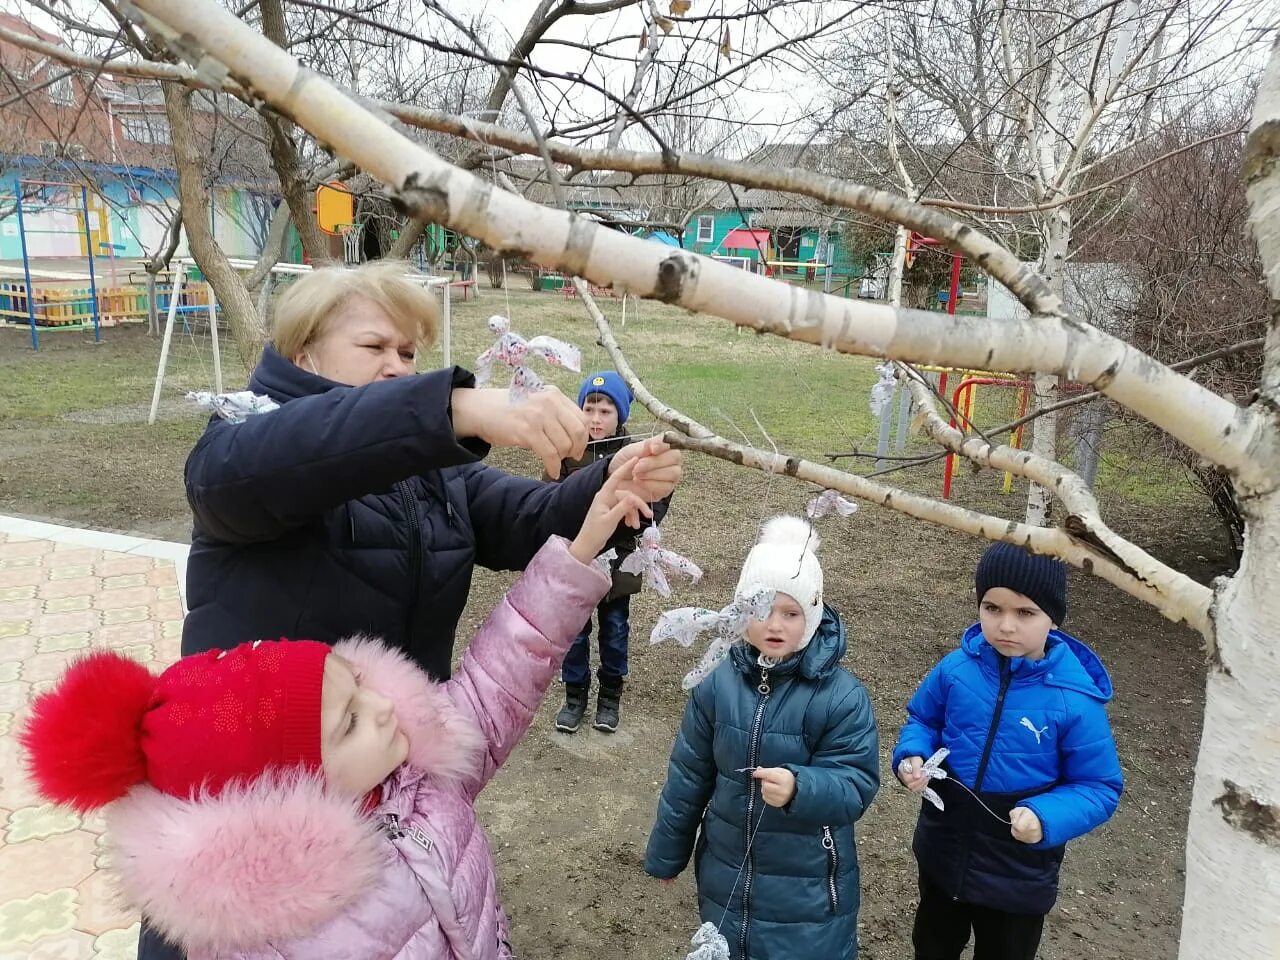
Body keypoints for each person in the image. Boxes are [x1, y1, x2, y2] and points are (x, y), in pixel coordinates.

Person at [21, 465, 652, 960]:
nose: (383, 707)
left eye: (358, 687)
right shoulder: (264, 934)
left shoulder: (414, 777)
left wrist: (581, 548)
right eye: (349, 721)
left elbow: (501, 675)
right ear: (288, 788)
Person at [181, 260, 682, 681]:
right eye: (374, 347)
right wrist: (452, 409)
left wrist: (610, 485)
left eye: (406, 353)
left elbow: (529, 517)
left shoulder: (424, 464)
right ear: (304, 355)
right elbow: (275, 465)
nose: (398, 367)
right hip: (263, 767)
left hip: (391, 762)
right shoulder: (240, 436)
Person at [644, 516, 880, 960]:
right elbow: (689, 774)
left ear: (810, 617)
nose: (775, 624)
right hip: (726, 875)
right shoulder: (715, 683)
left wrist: (800, 787)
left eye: (791, 613)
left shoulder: (841, 697)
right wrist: (667, 853)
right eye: (760, 609)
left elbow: (856, 784)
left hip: (808, 894)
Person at [892, 541, 1124, 960]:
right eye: (992, 608)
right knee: (932, 943)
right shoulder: (955, 669)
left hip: (1018, 870)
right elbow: (924, 720)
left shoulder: (1074, 700)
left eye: (1025, 613)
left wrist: (1045, 816)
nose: (1006, 626)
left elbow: (1098, 786)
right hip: (944, 851)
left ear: (1053, 618)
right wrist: (911, 755)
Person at [551, 370, 670, 734]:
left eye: (605, 411)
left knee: (615, 630)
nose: (596, 418)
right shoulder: (567, 452)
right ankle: (574, 695)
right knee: (574, 632)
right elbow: (549, 502)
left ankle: (610, 697)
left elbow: (655, 503)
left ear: (621, 416)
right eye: (589, 409)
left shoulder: (633, 455)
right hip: (577, 561)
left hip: (618, 565)